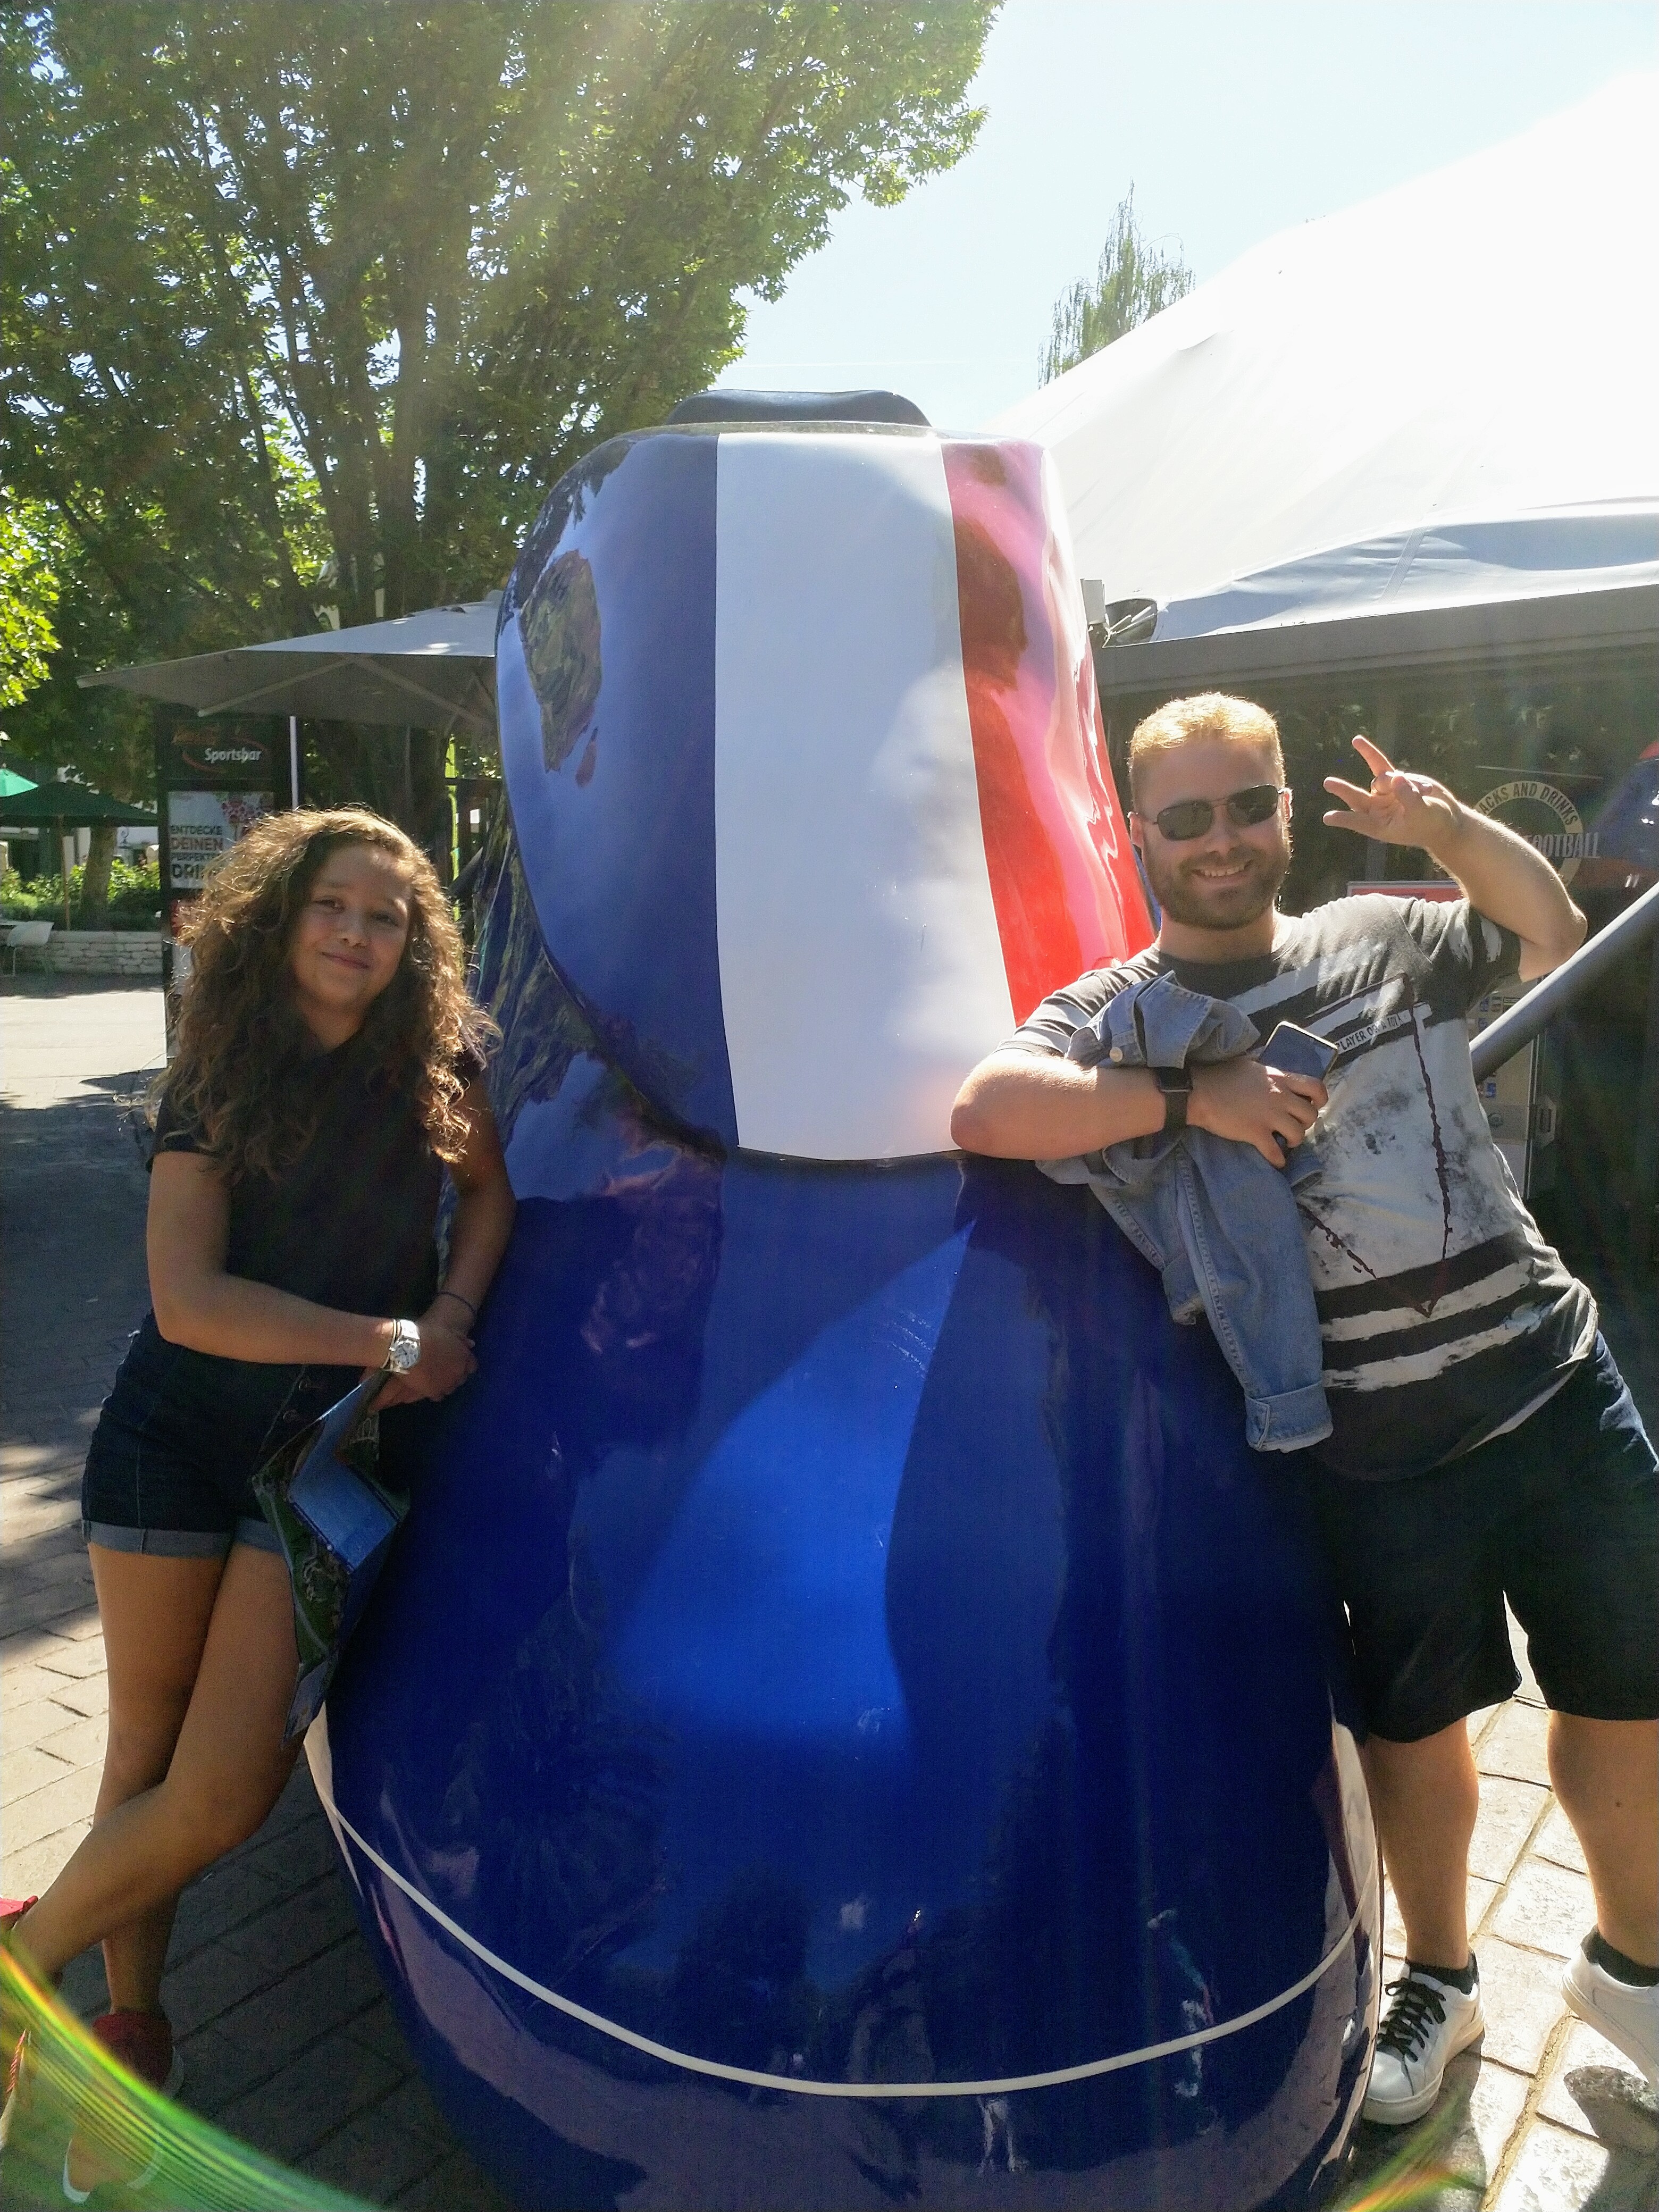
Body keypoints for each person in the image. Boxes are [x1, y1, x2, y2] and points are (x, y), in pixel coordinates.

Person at [950, 693, 1658, 2123]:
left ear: (1285, 809)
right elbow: (988, 1106)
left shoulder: (1383, 932)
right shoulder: (1124, 1013)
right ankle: (1443, 1980)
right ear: (1140, 834)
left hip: (1551, 1383)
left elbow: (1549, 925)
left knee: (1630, 1697)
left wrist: (1448, 831)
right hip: (1370, 1448)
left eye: (1248, 805)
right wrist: (1189, 1097)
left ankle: (1634, 1973)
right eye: (1188, 817)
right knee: (1416, 1729)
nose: (1222, 840)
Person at [2, 808, 516, 2192]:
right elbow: (190, 1303)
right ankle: (130, 2036)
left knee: (224, 1791)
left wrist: (455, 1311)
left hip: (324, 1463)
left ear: (416, 943)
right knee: (143, 1753)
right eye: (333, 906)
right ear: (280, 918)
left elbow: (489, 1200)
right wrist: (393, 1342)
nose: (358, 933)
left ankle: (22, 1968)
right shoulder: (219, 1070)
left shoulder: (439, 1064)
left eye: (387, 917)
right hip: (175, 1442)